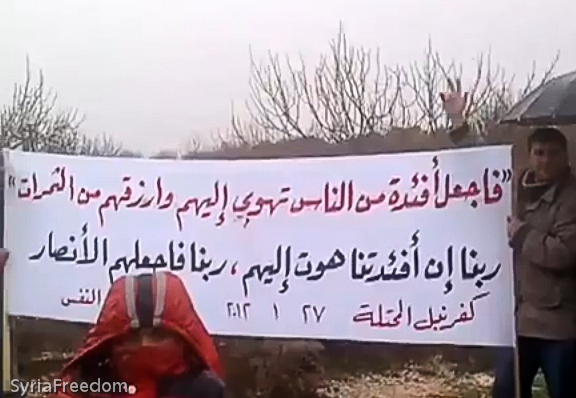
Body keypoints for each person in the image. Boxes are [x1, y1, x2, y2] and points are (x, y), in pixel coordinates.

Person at [441, 86, 576, 398]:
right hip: (516, 323)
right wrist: (458, 120)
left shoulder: (571, 198)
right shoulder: (514, 186)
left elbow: (564, 252)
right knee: (504, 391)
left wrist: (523, 233)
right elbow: (480, 163)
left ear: (564, 156)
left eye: (552, 154)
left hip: (559, 328)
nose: (544, 161)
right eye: (539, 153)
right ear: (529, 154)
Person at [48, 271, 226, 398]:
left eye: (157, 336)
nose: (145, 344)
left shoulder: (205, 389)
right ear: (112, 341)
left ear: (181, 339)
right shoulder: (84, 384)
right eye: (133, 337)